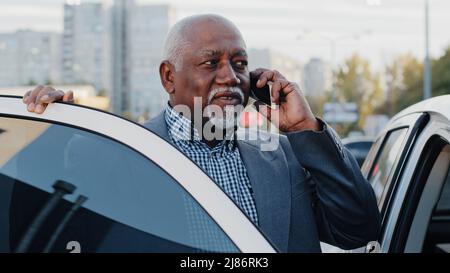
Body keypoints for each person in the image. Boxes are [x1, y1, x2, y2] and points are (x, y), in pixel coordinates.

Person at [22, 14, 380, 252]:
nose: (230, 76)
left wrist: (306, 129)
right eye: (211, 63)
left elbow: (358, 229)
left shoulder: (284, 156)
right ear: (168, 77)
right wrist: (49, 134)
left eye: (240, 64)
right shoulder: (119, 154)